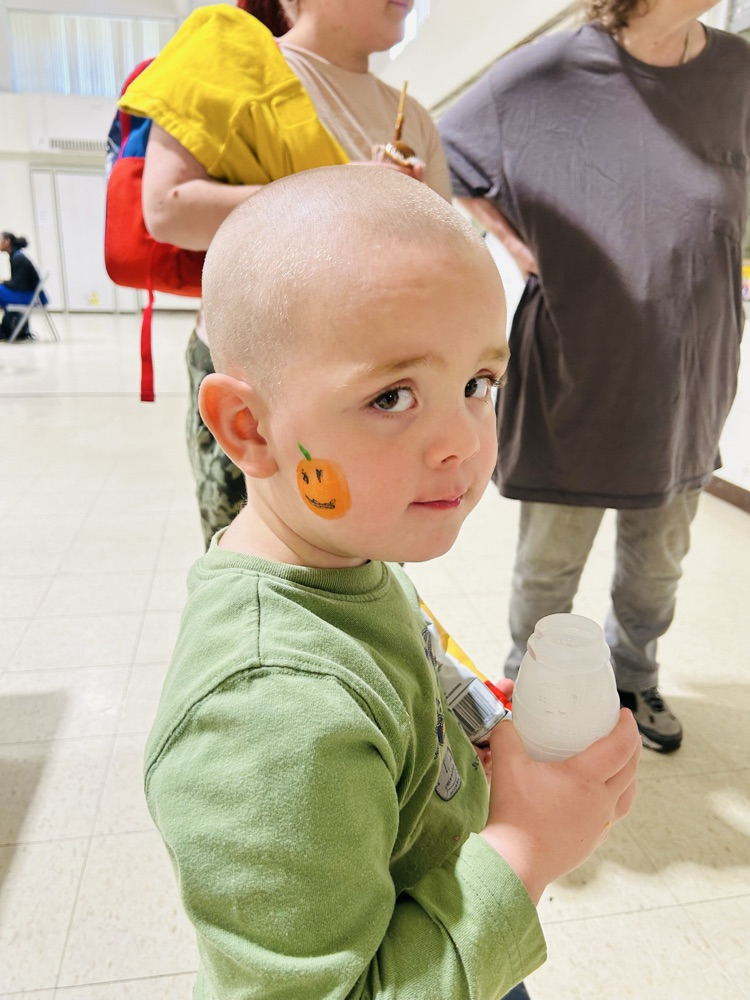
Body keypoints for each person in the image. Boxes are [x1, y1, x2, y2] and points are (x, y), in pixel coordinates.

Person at [144, 165, 640, 999]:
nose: (460, 441)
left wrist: (480, 721)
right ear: (248, 427)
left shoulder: (344, 551)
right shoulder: (268, 712)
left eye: (479, 383)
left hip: (452, 924)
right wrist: (526, 846)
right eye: (392, 396)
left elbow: (400, 674)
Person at [439, 0, 750, 753]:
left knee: (659, 559)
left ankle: (633, 680)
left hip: (691, 366)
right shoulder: (549, 70)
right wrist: (514, 245)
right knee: (550, 559)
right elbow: (441, 146)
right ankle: (529, 688)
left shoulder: (738, 70)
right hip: (580, 362)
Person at [118, 0, 451, 548]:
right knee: (259, 559)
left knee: (372, 552)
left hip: (384, 378)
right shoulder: (224, 63)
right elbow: (169, 208)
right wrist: (340, 193)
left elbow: (442, 252)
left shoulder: (410, 115)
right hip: (258, 369)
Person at [0, 231, 45, 341]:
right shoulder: (16, 256)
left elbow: (17, 285)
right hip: (29, 294)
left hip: (31, 297)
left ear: (7, 241)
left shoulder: (18, 258)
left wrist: (3, 282)